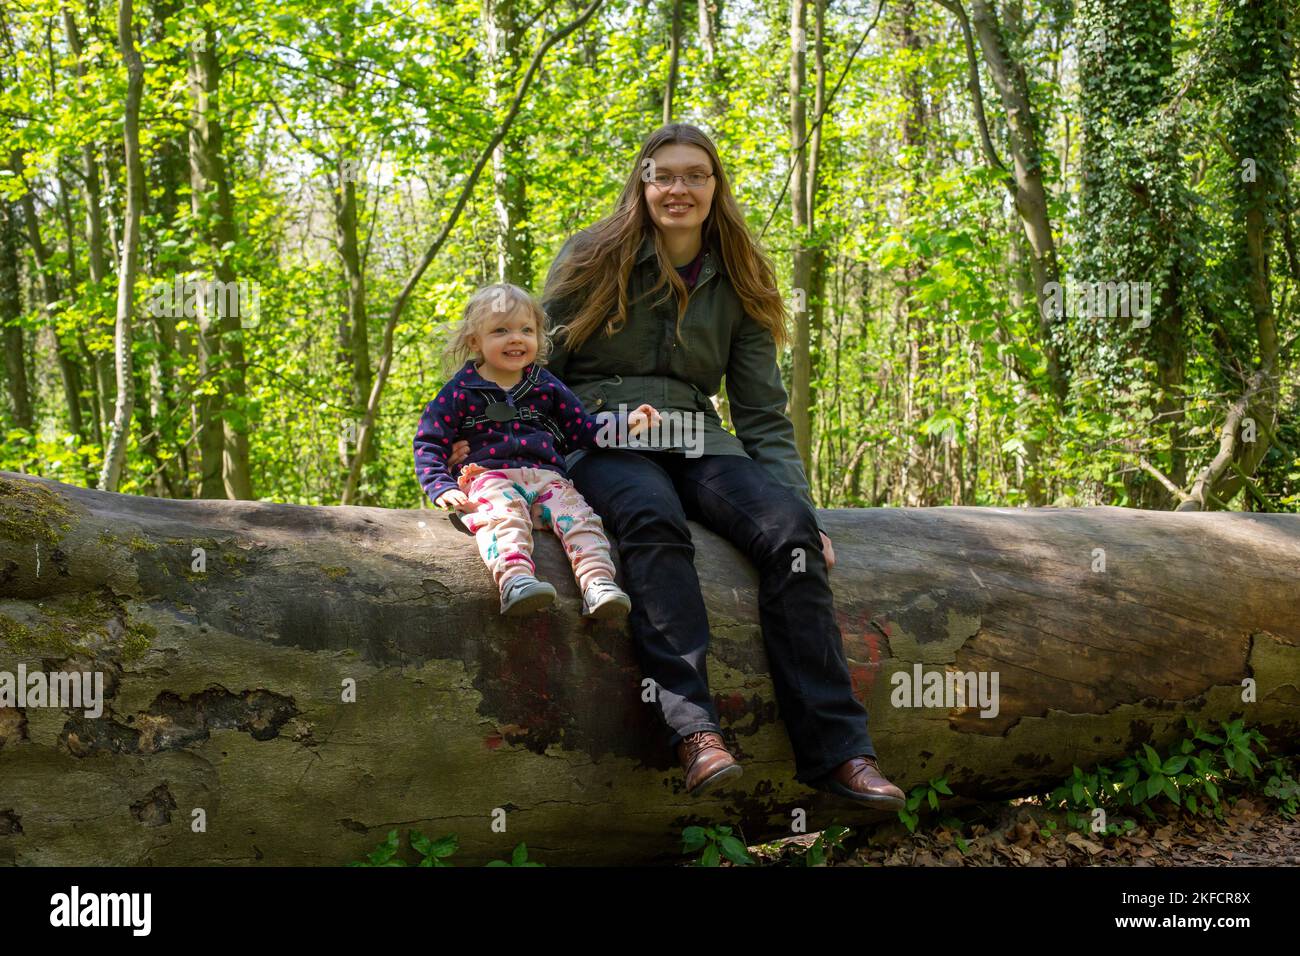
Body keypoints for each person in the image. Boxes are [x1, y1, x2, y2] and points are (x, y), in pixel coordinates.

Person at [449, 125, 904, 808]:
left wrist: (800, 508)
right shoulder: (591, 256)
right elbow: (534, 368)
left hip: (700, 437)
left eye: (695, 175)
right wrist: (491, 451)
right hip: (599, 435)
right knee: (651, 520)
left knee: (789, 538)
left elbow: (762, 410)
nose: (678, 189)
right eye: (663, 175)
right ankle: (695, 733)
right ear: (642, 183)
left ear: (716, 186)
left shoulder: (741, 270)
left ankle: (840, 751)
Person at [413, 282, 660, 618]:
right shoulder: (459, 391)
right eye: (501, 330)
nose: (516, 338)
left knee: (582, 519)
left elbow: (582, 429)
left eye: (526, 330)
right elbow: (430, 440)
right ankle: (515, 580)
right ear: (475, 341)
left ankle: (597, 584)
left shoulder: (545, 384)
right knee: (503, 517)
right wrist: (440, 484)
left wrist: (626, 423)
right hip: (489, 478)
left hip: (546, 479)